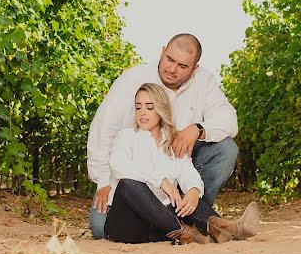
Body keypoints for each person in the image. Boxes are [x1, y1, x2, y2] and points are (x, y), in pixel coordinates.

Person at [87, 33, 239, 239]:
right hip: (131, 191)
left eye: (182, 66)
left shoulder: (171, 139)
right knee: (100, 227)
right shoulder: (129, 126)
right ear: (162, 51)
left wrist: (197, 129)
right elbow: (105, 133)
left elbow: (227, 121)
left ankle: (203, 219)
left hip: (171, 191)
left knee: (226, 149)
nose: (172, 69)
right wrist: (103, 181)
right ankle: (183, 226)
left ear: (194, 69)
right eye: (169, 59)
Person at [104, 83, 259, 244]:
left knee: (187, 198)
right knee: (128, 184)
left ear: (161, 109)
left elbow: (187, 171)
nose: (142, 112)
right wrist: (161, 181)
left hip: (160, 225)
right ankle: (187, 233)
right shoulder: (126, 136)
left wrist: (193, 190)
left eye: (149, 107)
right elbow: (118, 165)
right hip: (126, 225)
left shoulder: (173, 142)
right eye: (138, 107)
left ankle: (224, 229)